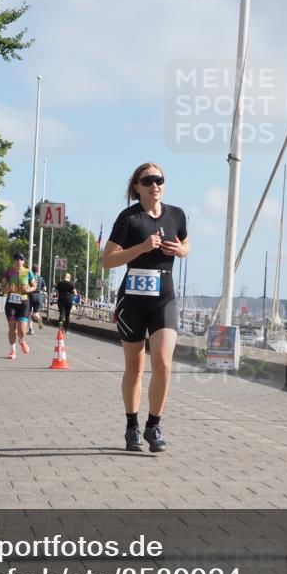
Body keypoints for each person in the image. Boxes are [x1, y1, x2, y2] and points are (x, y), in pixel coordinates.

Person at [101, 162, 188, 453]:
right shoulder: (128, 218)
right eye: (148, 180)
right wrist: (141, 247)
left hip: (164, 296)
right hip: (133, 299)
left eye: (159, 179)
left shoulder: (176, 214)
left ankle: (154, 425)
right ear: (136, 186)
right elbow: (108, 259)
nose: (155, 184)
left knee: (163, 363)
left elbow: (186, 244)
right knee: (135, 367)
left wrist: (180, 250)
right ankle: (131, 427)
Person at [1, 253, 34, 359]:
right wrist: (8, 289)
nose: (18, 261)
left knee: (21, 329)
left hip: (24, 303)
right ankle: (12, 351)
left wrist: (27, 290)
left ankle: (22, 341)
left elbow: (34, 286)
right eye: (16, 259)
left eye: (20, 259)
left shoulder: (28, 272)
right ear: (13, 261)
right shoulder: (8, 272)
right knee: (11, 327)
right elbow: (2, 287)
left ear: (23, 261)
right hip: (11, 303)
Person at [29, 265, 45, 333]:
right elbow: (44, 288)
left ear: (32, 270)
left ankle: (31, 329)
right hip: (39, 296)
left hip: (31, 295)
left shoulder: (30, 278)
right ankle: (38, 318)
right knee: (35, 313)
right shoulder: (41, 278)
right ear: (38, 270)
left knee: (28, 313)